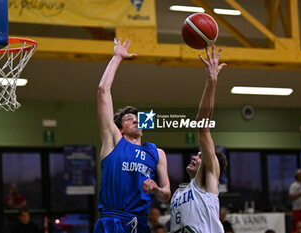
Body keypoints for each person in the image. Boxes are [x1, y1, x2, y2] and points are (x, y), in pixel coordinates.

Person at [93, 38, 171, 233]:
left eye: (138, 118)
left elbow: (166, 194)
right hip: (112, 222)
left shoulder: (157, 153)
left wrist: (156, 190)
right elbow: (103, 91)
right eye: (129, 118)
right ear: (120, 128)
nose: (136, 120)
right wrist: (117, 57)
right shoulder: (113, 141)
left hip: (140, 224)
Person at [170, 45, 227, 233]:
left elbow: (203, 128)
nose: (195, 157)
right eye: (197, 155)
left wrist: (211, 81)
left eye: (201, 156)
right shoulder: (179, 192)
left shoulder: (207, 181)